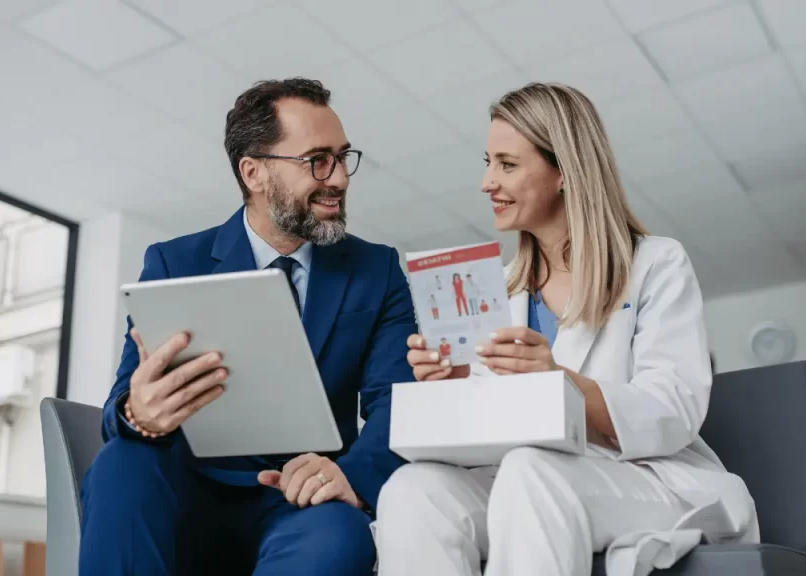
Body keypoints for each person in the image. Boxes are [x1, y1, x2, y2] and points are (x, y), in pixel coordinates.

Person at [372, 83, 759, 576]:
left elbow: (673, 408)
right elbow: (496, 427)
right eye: (488, 162)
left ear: (563, 172)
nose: (487, 182)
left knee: (532, 473)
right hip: (523, 481)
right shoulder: (502, 290)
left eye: (507, 165)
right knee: (414, 490)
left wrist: (560, 381)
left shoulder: (655, 264)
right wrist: (452, 386)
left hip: (644, 480)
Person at [79, 78, 417, 576]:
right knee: (121, 464)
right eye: (317, 160)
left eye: (344, 158)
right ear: (254, 172)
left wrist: (350, 475)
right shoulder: (174, 261)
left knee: (339, 536)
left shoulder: (377, 269)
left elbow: (396, 400)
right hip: (184, 488)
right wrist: (138, 414)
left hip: (303, 497)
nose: (340, 177)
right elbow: (121, 408)